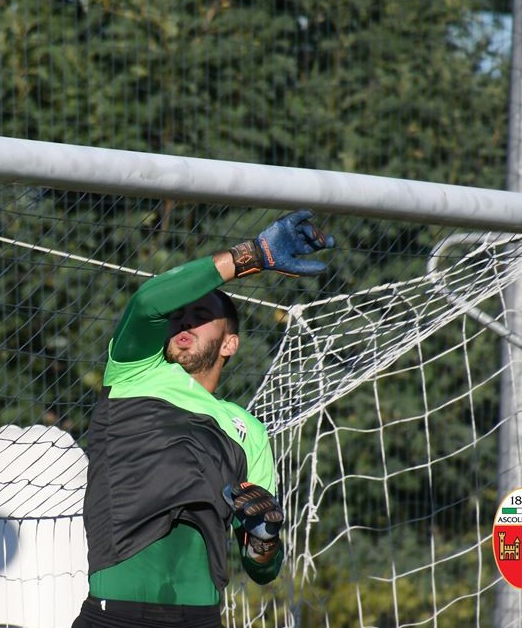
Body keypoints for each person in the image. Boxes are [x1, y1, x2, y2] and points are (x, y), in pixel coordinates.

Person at [73, 210, 334, 628]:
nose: (184, 318)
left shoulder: (248, 432)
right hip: (116, 615)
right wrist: (253, 255)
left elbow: (261, 569)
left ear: (230, 343)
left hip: (202, 619)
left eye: (200, 314)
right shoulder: (135, 371)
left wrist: (264, 538)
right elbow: (148, 301)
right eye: (179, 315)